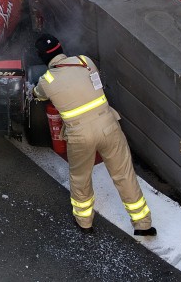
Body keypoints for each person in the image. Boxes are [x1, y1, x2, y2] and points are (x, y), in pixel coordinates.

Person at [31, 34, 157, 236]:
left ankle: (84, 222)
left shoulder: (47, 80)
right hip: (108, 125)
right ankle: (143, 224)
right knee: (124, 174)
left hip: (80, 134)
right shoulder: (84, 61)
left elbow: (38, 94)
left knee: (81, 177)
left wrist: (34, 93)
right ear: (61, 47)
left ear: (40, 57)